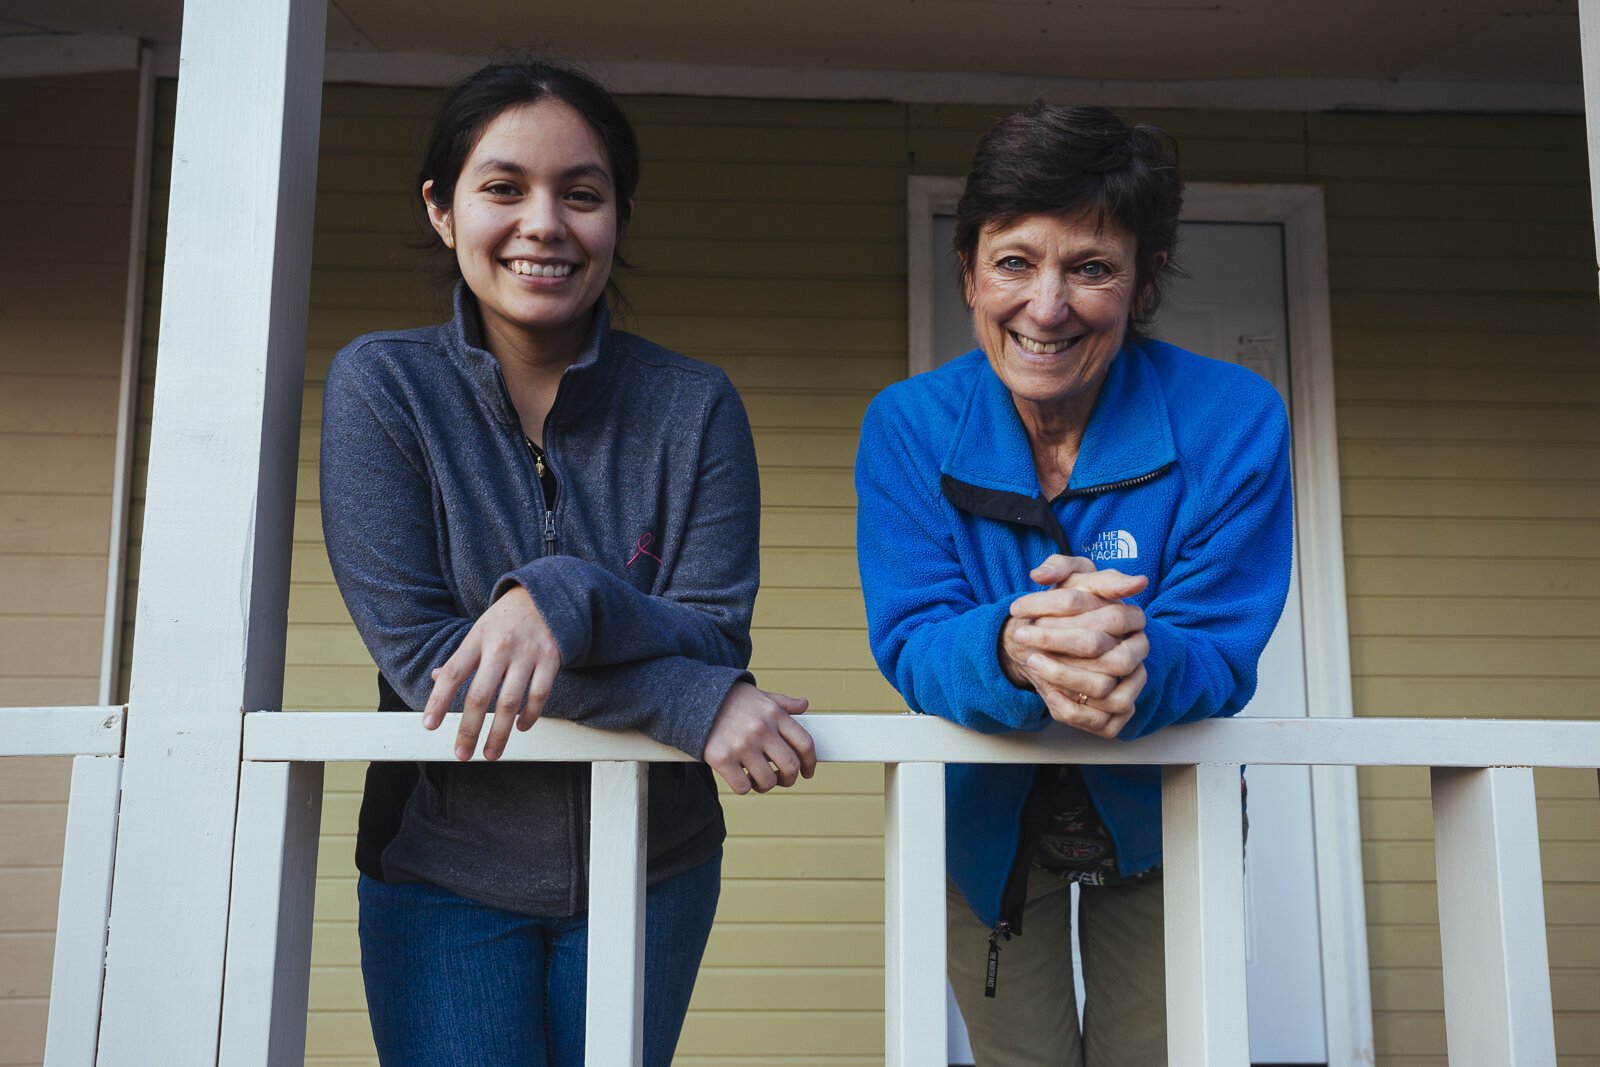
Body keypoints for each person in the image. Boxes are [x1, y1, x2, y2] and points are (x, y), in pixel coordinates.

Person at [319, 58, 816, 1067]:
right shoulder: (382, 387)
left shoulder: (694, 404)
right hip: (438, 870)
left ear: (616, 216)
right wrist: (690, 699)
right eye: (503, 187)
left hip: (656, 865)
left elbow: (714, 626)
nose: (543, 222)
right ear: (442, 209)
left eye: (579, 194)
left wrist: (561, 596)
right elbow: (431, 660)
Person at [855, 103, 1292, 1066]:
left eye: (1090, 267)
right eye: (1014, 262)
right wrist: (1012, 645)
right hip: (981, 827)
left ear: (1143, 283)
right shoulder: (907, 426)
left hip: (1169, 814)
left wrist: (1136, 652)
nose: (1046, 306)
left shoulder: (1235, 418)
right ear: (968, 272)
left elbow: (1218, 645)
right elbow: (914, 636)